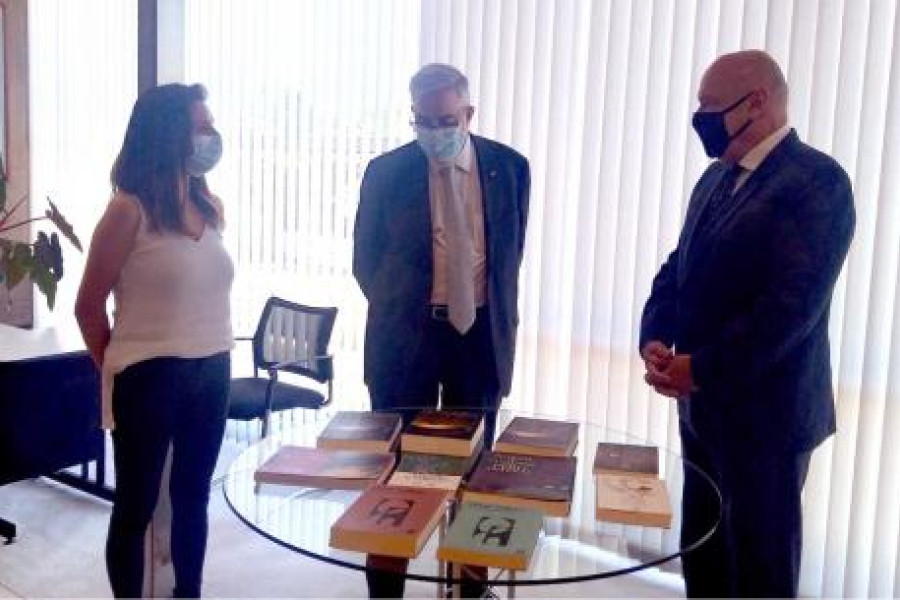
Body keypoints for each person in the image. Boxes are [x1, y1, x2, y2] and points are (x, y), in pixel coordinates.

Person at [639, 50, 855, 598]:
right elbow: (679, 267)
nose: (700, 119)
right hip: (702, 413)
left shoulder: (819, 183)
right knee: (704, 562)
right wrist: (655, 337)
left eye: (709, 107)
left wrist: (699, 368)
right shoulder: (715, 178)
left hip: (767, 423)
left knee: (760, 574)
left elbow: (789, 310)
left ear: (756, 102)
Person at [352, 63, 530, 598]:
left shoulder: (510, 168)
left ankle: (469, 589)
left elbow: (508, 257)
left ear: (468, 113)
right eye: (423, 121)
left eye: (446, 120)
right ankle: (387, 590)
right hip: (406, 339)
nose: (435, 131)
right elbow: (366, 262)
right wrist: (405, 307)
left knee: (476, 473)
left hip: (479, 338)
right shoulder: (386, 172)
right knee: (398, 471)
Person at [75, 83, 233, 598]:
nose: (211, 137)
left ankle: (189, 593)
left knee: (193, 499)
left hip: (213, 367)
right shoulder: (128, 211)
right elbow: (88, 305)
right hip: (149, 375)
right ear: (168, 134)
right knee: (136, 505)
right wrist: (120, 366)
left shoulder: (209, 207)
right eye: (201, 127)